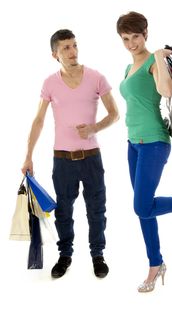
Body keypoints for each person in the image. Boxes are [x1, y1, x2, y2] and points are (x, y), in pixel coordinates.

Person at [21, 29, 119, 279]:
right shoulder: (49, 83)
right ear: (55, 54)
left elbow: (114, 114)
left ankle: (98, 254)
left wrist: (94, 128)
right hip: (62, 160)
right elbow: (39, 120)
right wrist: (28, 155)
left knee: (97, 209)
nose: (73, 51)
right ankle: (65, 255)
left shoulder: (96, 77)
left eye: (74, 45)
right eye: (66, 47)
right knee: (64, 211)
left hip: (91, 158)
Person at [116, 11, 172, 293]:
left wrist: (160, 58)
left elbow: (165, 91)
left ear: (145, 34)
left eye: (135, 37)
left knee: (141, 205)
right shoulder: (128, 68)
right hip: (133, 145)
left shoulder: (153, 61)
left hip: (154, 143)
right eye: (125, 39)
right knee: (145, 210)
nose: (131, 44)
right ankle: (156, 264)